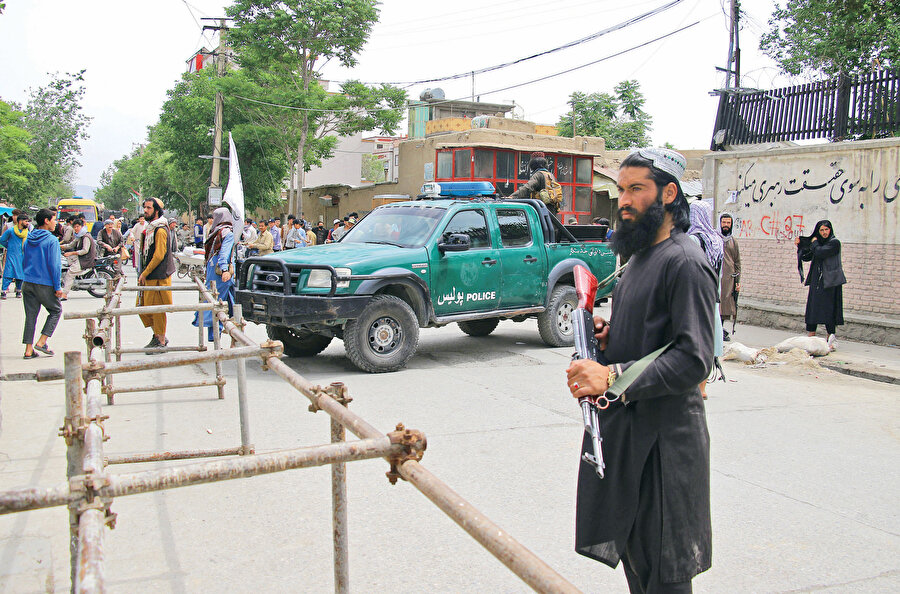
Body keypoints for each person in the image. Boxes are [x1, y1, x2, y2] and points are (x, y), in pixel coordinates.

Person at [565, 148, 715, 594]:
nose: (624, 201)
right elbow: (657, 338)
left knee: (663, 573)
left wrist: (612, 377)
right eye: (621, 190)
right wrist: (611, 337)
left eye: (636, 189)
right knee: (637, 558)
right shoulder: (640, 258)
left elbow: (693, 358)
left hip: (665, 447)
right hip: (631, 435)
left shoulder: (684, 262)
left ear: (669, 194)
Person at [687, 200, 724, 400]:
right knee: (709, 340)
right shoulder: (716, 239)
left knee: (694, 340)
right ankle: (702, 387)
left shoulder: (692, 239)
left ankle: (696, 387)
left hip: (695, 296)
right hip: (712, 296)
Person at [795, 220, 845, 350]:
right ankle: (811, 336)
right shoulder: (817, 244)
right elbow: (808, 256)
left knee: (829, 309)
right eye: (821, 230)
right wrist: (800, 245)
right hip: (817, 281)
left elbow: (821, 252)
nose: (824, 233)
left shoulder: (834, 243)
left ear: (830, 230)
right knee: (813, 308)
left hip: (830, 282)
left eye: (826, 230)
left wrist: (814, 242)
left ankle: (830, 337)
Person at [21, 209, 63, 359]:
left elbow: (24, 260)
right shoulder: (51, 241)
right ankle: (42, 341)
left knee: (31, 315)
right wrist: (57, 287)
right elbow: (54, 266)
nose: (55, 222)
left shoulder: (28, 239)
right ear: (46, 221)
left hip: (28, 281)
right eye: (53, 219)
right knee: (56, 310)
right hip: (44, 283)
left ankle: (28, 350)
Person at [138, 198, 176, 351]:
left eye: (148, 208)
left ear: (157, 210)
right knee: (144, 307)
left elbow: (159, 255)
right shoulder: (150, 229)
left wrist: (145, 273)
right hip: (149, 275)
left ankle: (159, 339)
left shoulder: (160, 230)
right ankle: (158, 335)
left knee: (157, 309)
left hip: (158, 276)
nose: (145, 211)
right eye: (145, 207)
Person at [194, 207, 236, 341]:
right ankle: (218, 334)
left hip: (212, 270)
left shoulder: (215, 231)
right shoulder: (227, 233)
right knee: (219, 304)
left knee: (219, 300)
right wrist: (225, 270)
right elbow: (224, 253)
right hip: (222, 273)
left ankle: (218, 334)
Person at [718, 212, 741, 341]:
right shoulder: (715, 238)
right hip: (717, 278)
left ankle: (720, 329)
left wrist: (738, 281)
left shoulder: (733, 242)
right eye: (723, 223)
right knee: (717, 304)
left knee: (726, 306)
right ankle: (717, 331)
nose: (726, 225)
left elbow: (737, 262)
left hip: (729, 279)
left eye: (728, 223)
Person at [61, 218, 97, 299]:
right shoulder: (79, 236)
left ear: (82, 226)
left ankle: (64, 294)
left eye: (77, 226)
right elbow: (70, 245)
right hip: (81, 258)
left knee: (70, 274)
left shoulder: (85, 237)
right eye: (74, 227)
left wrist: (71, 252)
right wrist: (60, 246)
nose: (76, 228)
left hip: (86, 259)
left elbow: (85, 250)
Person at [0, 212, 29, 299]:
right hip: (11, 255)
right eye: (26, 221)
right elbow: (2, 240)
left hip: (22, 256)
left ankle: (19, 290)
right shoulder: (11, 231)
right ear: (20, 221)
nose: (27, 223)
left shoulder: (27, 232)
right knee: (8, 273)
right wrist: (9, 246)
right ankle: (4, 291)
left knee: (20, 274)